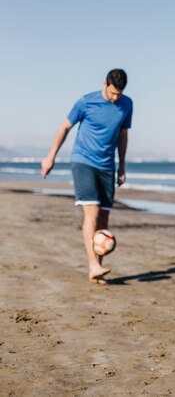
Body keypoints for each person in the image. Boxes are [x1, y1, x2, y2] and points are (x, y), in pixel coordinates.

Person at [41, 69, 133, 285]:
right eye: (112, 93)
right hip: (83, 161)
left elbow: (123, 134)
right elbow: (65, 127)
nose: (115, 98)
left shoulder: (127, 104)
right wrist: (51, 156)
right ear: (104, 84)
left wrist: (122, 166)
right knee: (91, 212)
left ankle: (97, 268)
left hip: (107, 166)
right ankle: (93, 265)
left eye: (119, 94)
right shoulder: (86, 102)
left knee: (104, 218)